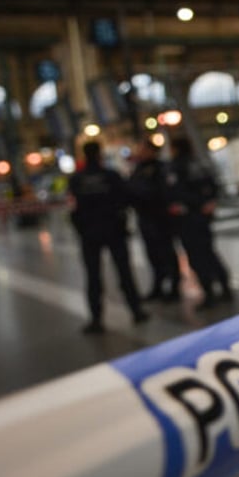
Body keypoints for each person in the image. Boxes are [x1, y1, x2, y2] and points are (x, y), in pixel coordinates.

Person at [68, 141, 148, 334]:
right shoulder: (111, 176)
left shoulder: (77, 179)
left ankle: (96, 319)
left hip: (89, 234)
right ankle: (136, 311)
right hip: (114, 231)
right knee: (124, 272)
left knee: (93, 276)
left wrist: (81, 229)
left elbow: (73, 207)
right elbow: (125, 199)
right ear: (99, 154)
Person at [165, 136, 233, 309]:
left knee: (197, 256)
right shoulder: (200, 164)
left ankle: (208, 292)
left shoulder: (176, 166)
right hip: (202, 216)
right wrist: (209, 202)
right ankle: (225, 286)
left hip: (189, 218)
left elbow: (177, 192)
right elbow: (214, 184)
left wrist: (193, 205)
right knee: (209, 251)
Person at [127, 139, 181, 302]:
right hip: (145, 217)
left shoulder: (161, 168)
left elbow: (163, 191)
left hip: (161, 217)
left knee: (167, 253)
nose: (140, 152)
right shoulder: (138, 169)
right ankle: (158, 285)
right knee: (152, 254)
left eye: (143, 149)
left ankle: (174, 286)